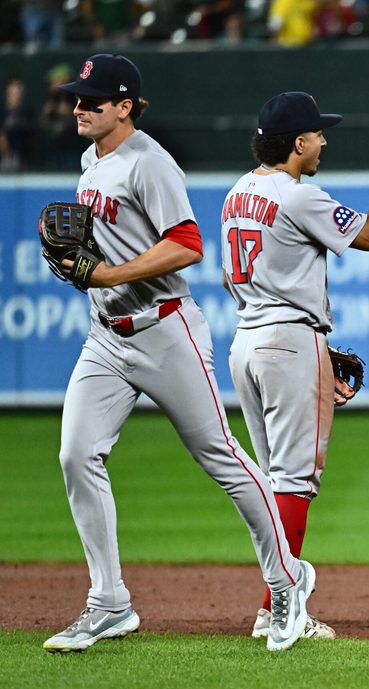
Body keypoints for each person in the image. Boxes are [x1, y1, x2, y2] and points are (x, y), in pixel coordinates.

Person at [42, 54, 316, 654]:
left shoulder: (150, 163)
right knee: (75, 454)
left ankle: (288, 579)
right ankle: (109, 602)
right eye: (78, 97)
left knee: (220, 456)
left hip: (167, 330)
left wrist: (109, 270)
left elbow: (188, 246)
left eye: (92, 99)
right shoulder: (91, 162)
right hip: (106, 335)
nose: (79, 106)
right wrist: (86, 268)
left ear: (124, 106)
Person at [222, 92, 369, 640]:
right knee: (293, 483)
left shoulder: (238, 192)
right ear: (297, 143)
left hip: (246, 342)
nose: (323, 141)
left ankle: (272, 603)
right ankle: (282, 610)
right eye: (317, 133)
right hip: (288, 343)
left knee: (273, 483)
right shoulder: (299, 195)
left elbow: (230, 278)